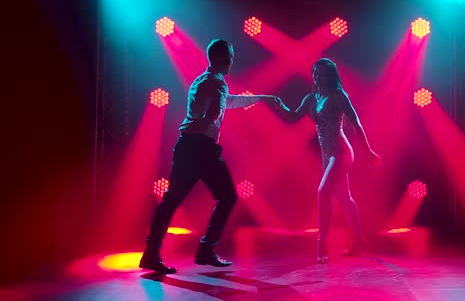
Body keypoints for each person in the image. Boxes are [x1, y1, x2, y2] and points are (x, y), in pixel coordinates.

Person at [139, 39, 278, 274]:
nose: (233, 61)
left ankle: (151, 254)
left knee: (171, 200)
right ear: (222, 57)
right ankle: (205, 249)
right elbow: (215, 112)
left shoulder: (203, 80)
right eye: (231, 56)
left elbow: (228, 102)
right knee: (228, 197)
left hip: (186, 146)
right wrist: (208, 122)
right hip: (201, 148)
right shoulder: (215, 83)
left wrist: (261, 98)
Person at [273, 58, 381, 264]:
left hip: (341, 152)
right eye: (315, 73)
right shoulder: (311, 99)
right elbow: (292, 117)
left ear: (330, 76)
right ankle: (359, 240)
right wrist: (276, 105)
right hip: (326, 154)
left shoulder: (338, 96)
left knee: (323, 192)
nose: (317, 76)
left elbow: (356, 123)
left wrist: (367, 151)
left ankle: (321, 244)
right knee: (344, 197)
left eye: (321, 73)